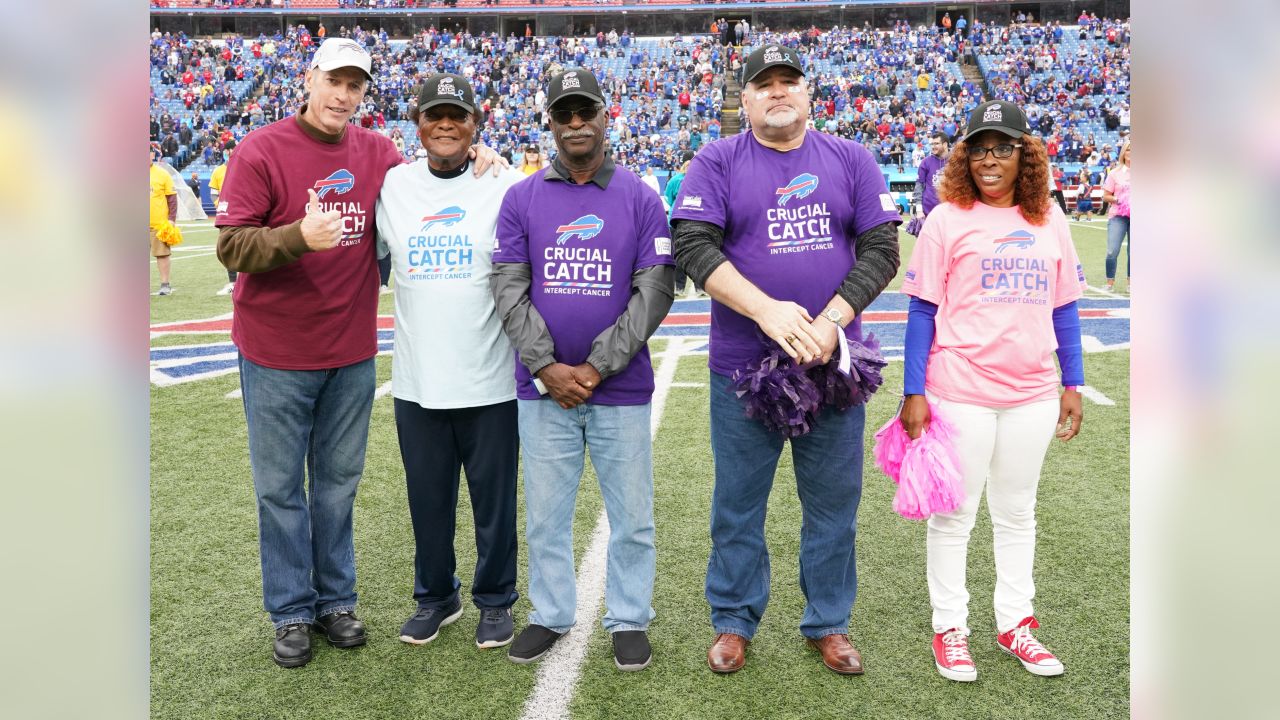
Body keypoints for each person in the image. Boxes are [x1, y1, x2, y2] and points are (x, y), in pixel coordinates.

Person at [214, 37, 504, 670]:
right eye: (334, 81)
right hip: (273, 350)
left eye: (356, 85)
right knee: (280, 489)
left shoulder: (379, 154)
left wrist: (483, 154)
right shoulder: (260, 149)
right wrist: (297, 236)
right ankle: (292, 610)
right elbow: (232, 247)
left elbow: (437, 175)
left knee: (338, 486)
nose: (344, 95)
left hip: (349, 351)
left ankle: (336, 602)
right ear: (310, 78)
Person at [671, 44, 901, 676]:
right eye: (762, 84)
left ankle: (827, 621)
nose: (777, 92)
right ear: (744, 99)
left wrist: (831, 320)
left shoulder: (850, 158)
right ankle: (734, 620)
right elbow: (692, 244)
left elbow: (882, 249)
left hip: (832, 365)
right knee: (738, 504)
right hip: (743, 366)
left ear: (807, 93)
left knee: (833, 503)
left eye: (788, 81)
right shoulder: (717, 160)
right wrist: (766, 311)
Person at [490, 67, 675, 672]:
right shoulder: (521, 197)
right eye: (564, 113)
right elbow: (509, 289)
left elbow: (654, 290)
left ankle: (628, 617)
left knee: (632, 518)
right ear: (550, 120)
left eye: (585, 111)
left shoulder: (642, 198)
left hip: (620, 390)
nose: (576, 123)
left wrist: (594, 366)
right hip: (542, 391)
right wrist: (547, 368)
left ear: (604, 116)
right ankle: (550, 613)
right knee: (545, 516)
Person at [899, 100, 1086, 683]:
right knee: (954, 516)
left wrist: (1072, 382)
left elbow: (1066, 307)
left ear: (1025, 156)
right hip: (960, 389)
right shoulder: (946, 219)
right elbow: (922, 312)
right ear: (965, 156)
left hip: (1032, 391)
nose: (989, 159)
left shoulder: (1049, 218)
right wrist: (914, 390)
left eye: (1003, 147)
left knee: (1017, 513)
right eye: (979, 148)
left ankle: (1016, 625)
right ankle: (950, 629)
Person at [375, 73, 525, 651]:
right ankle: (435, 598)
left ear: (475, 125)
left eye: (456, 116)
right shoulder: (393, 186)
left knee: (495, 504)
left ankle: (494, 600)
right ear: (418, 123)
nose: (445, 125)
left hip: (490, 378)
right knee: (427, 499)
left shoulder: (505, 183)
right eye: (434, 115)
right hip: (418, 380)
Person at [663, 150, 696, 297]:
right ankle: (679, 286)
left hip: (694, 221)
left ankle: (698, 287)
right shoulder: (675, 180)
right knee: (679, 256)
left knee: (696, 254)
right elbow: (669, 198)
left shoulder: (700, 179)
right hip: (678, 222)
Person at [1100, 140, 1130, 292]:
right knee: (1112, 250)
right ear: (1123, 153)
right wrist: (1120, 199)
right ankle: (1109, 283)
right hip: (1118, 215)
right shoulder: (1114, 173)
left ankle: (1131, 284)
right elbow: (1106, 196)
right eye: (1129, 150)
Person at [208, 139, 237, 295]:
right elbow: (213, 193)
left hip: (244, 212)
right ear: (226, 151)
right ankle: (233, 282)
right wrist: (221, 206)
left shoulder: (245, 166)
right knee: (228, 247)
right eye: (233, 149)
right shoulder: (218, 171)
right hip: (226, 215)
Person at [149, 148, 176, 296]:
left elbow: (171, 198)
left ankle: (165, 284)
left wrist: (171, 219)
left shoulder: (162, 174)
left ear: (153, 155)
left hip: (158, 224)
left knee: (162, 254)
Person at [913, 132, 949, 220]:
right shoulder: (925, 162)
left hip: (950, 212)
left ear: (945, 145)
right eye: (932, 144)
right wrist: (919, 210)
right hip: (928, 213)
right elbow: (918, 187)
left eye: (936, 143)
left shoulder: (955, 161)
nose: (933, 146)